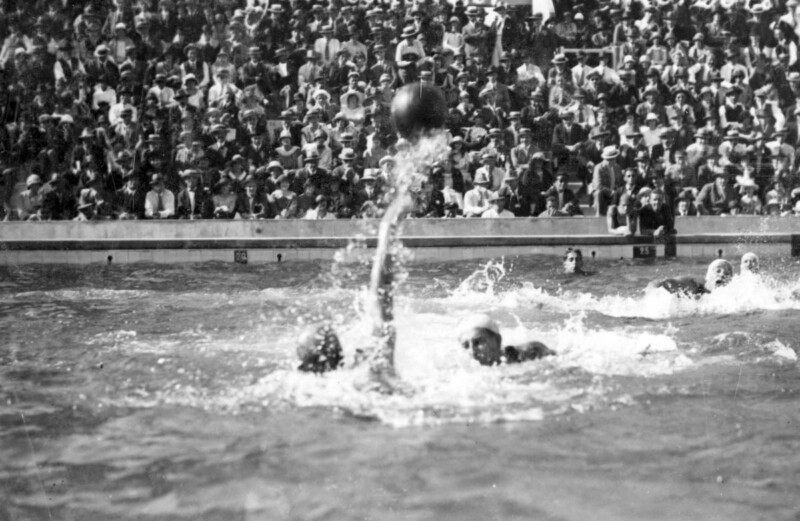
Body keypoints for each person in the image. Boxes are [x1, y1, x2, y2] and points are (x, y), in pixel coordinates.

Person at [457, 314, 554, 366]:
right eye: (466, 346)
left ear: (498, 341)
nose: (472, 351)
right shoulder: (465, 372)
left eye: (478, 342)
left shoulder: (531, 353)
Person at [651, 259, 734, 298]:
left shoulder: (730, 296)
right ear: (709, 274)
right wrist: (663, 283)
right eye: (718, 270)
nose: (722, 274)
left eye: (727, 273)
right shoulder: (696, 285)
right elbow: (676, 283)